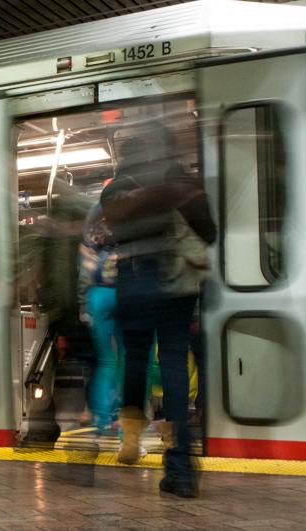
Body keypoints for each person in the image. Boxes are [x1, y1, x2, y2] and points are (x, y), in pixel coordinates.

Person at [101, 123, 215, 498]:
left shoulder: (117, 186)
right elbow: (209, 231)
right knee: (174, 368)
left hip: (135, 283)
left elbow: (114, 227)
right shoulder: (180, 179)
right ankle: (180, 466)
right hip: (177, 286)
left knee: (134, 361)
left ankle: (130, 440)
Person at [78, 194, 124, 434]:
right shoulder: (125, 224)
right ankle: (120, 418)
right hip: (123, 292)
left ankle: (101, 418)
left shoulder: (90, 235)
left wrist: (82, 306)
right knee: (125, 359)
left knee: (106, 361)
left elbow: (84, 274)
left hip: (97, 296)